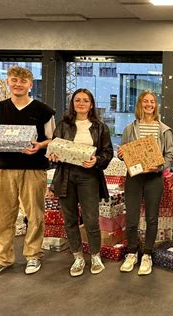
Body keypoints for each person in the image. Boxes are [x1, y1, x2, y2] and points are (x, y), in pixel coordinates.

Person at [0, 65, 55, 278]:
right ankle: (2, 258)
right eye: (14, 80)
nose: (18, 84)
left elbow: (51, 139)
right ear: (8, 81)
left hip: (33, 169)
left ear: (30, 84)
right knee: (2, 215)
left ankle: (33, 254)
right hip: (3, 169)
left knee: (35, 214)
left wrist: (39, 146)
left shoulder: (44, 110)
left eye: (23, 81)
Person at [50, 88, 113, 277]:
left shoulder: (100, 127)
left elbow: (107, 152)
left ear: (91, 104)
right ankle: (77, 257)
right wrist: (54, 155)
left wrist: (97, 161)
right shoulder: (63, 125)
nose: (81, 103)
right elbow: (55, 148)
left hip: (89, 176)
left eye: (85, 100)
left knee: (91, 219)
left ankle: (95, 255)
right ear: (73, 104)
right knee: (70, 220)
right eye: (77, 100)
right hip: (66, 176)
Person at [118, 90, 173, 275]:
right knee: (132, 218)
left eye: (152, 101)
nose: (149, 104)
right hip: (134, 177)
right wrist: (121, 155)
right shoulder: (129, 129)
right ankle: (132, 252)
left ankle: (147, 255)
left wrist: (158, 168)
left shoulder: (164, 129)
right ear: (140, 104)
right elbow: (124, 153)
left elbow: (170, 155)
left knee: (151, 218)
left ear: (155, 105)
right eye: (145, 101)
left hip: (154, 178)